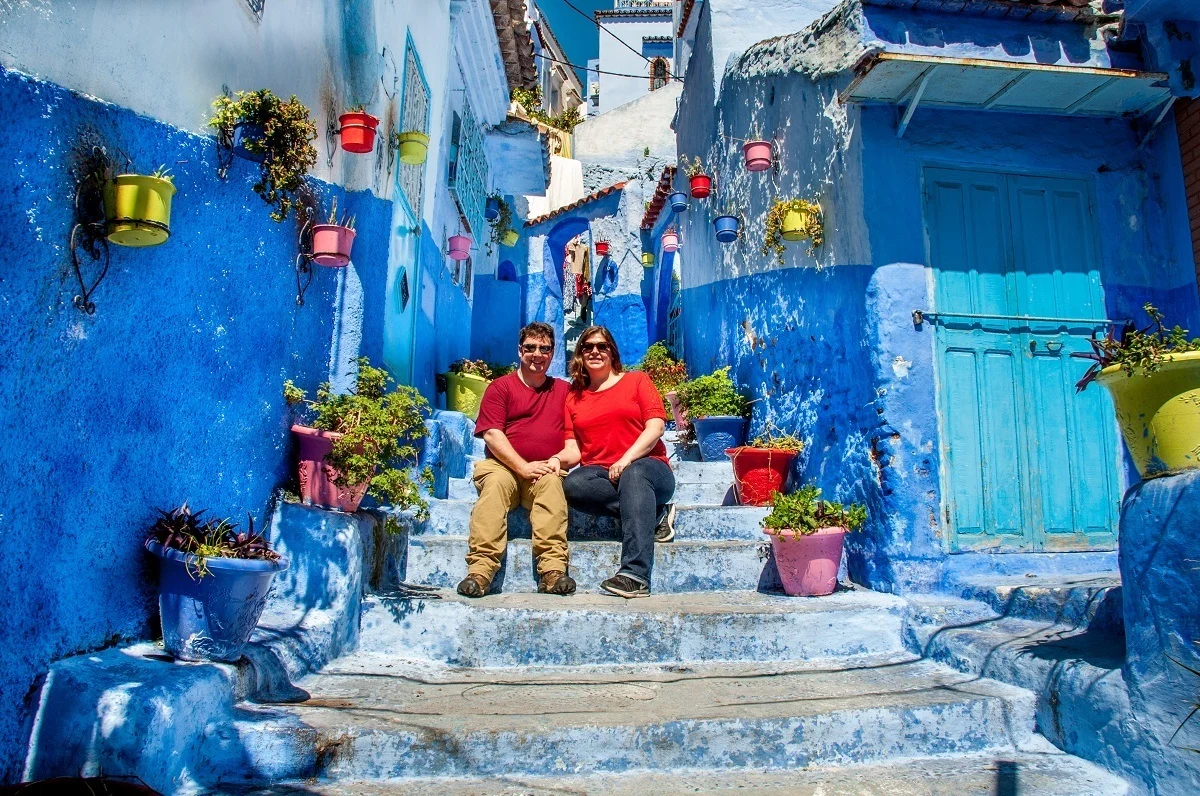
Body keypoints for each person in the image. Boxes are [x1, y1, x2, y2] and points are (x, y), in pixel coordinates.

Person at [457, 322, 577, 598]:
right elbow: (492, 434)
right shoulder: (500, 388)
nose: (537, 354)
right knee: (496, 485)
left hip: (545, 468)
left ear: (553, 353)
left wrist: (556, 461)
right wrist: (522, 466)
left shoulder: (563, 391)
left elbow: (575, 442)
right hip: (504, 468)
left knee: (551, 485)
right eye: (530, 348)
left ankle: (553, 572)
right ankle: (480, 572)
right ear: (520, 351)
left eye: (544, 348)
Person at [562, 326, 676, 599]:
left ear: (612, 352)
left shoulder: (637, 381)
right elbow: (573, 450)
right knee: (574, 483)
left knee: (635, 474)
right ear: (580, 355)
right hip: (604, 474)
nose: (594, 352)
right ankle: (657, 514)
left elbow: (656, 428)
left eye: (602, 346)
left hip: (650, 468)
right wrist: (553, 460)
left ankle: (636, 575)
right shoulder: (574, 398)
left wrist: (625, 460)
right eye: (587, 347)